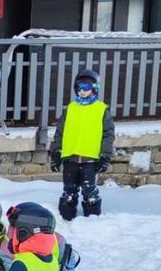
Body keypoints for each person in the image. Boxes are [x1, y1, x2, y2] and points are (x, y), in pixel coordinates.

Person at [49, 69, 115, 220]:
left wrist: (105, 155)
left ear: (95, 88)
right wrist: (56, 152)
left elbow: (108, 135)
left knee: (89, 191)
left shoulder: (101, 109)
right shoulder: (70, 109)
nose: (82, 91)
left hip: (90, 158)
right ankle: (65, 218)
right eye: (79, 87)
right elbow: (60, 132)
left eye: (86, 87)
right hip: (71, 157)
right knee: (69, 192)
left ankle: (91, 221)